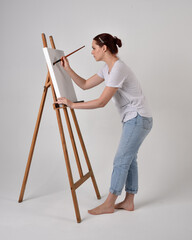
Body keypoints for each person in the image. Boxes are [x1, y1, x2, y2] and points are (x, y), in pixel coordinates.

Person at [55, 33, 153, 215]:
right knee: (130, 160)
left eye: (94, 48)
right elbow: (84, 84)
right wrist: (68, 70)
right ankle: (129, 202)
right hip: (134, 119)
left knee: (121, 159)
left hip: (138, 118)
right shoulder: (107, 69)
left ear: (104, 48)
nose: (92, 52)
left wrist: (72, 105)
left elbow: (101, 102)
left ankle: (110, 202)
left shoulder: (118, 68)